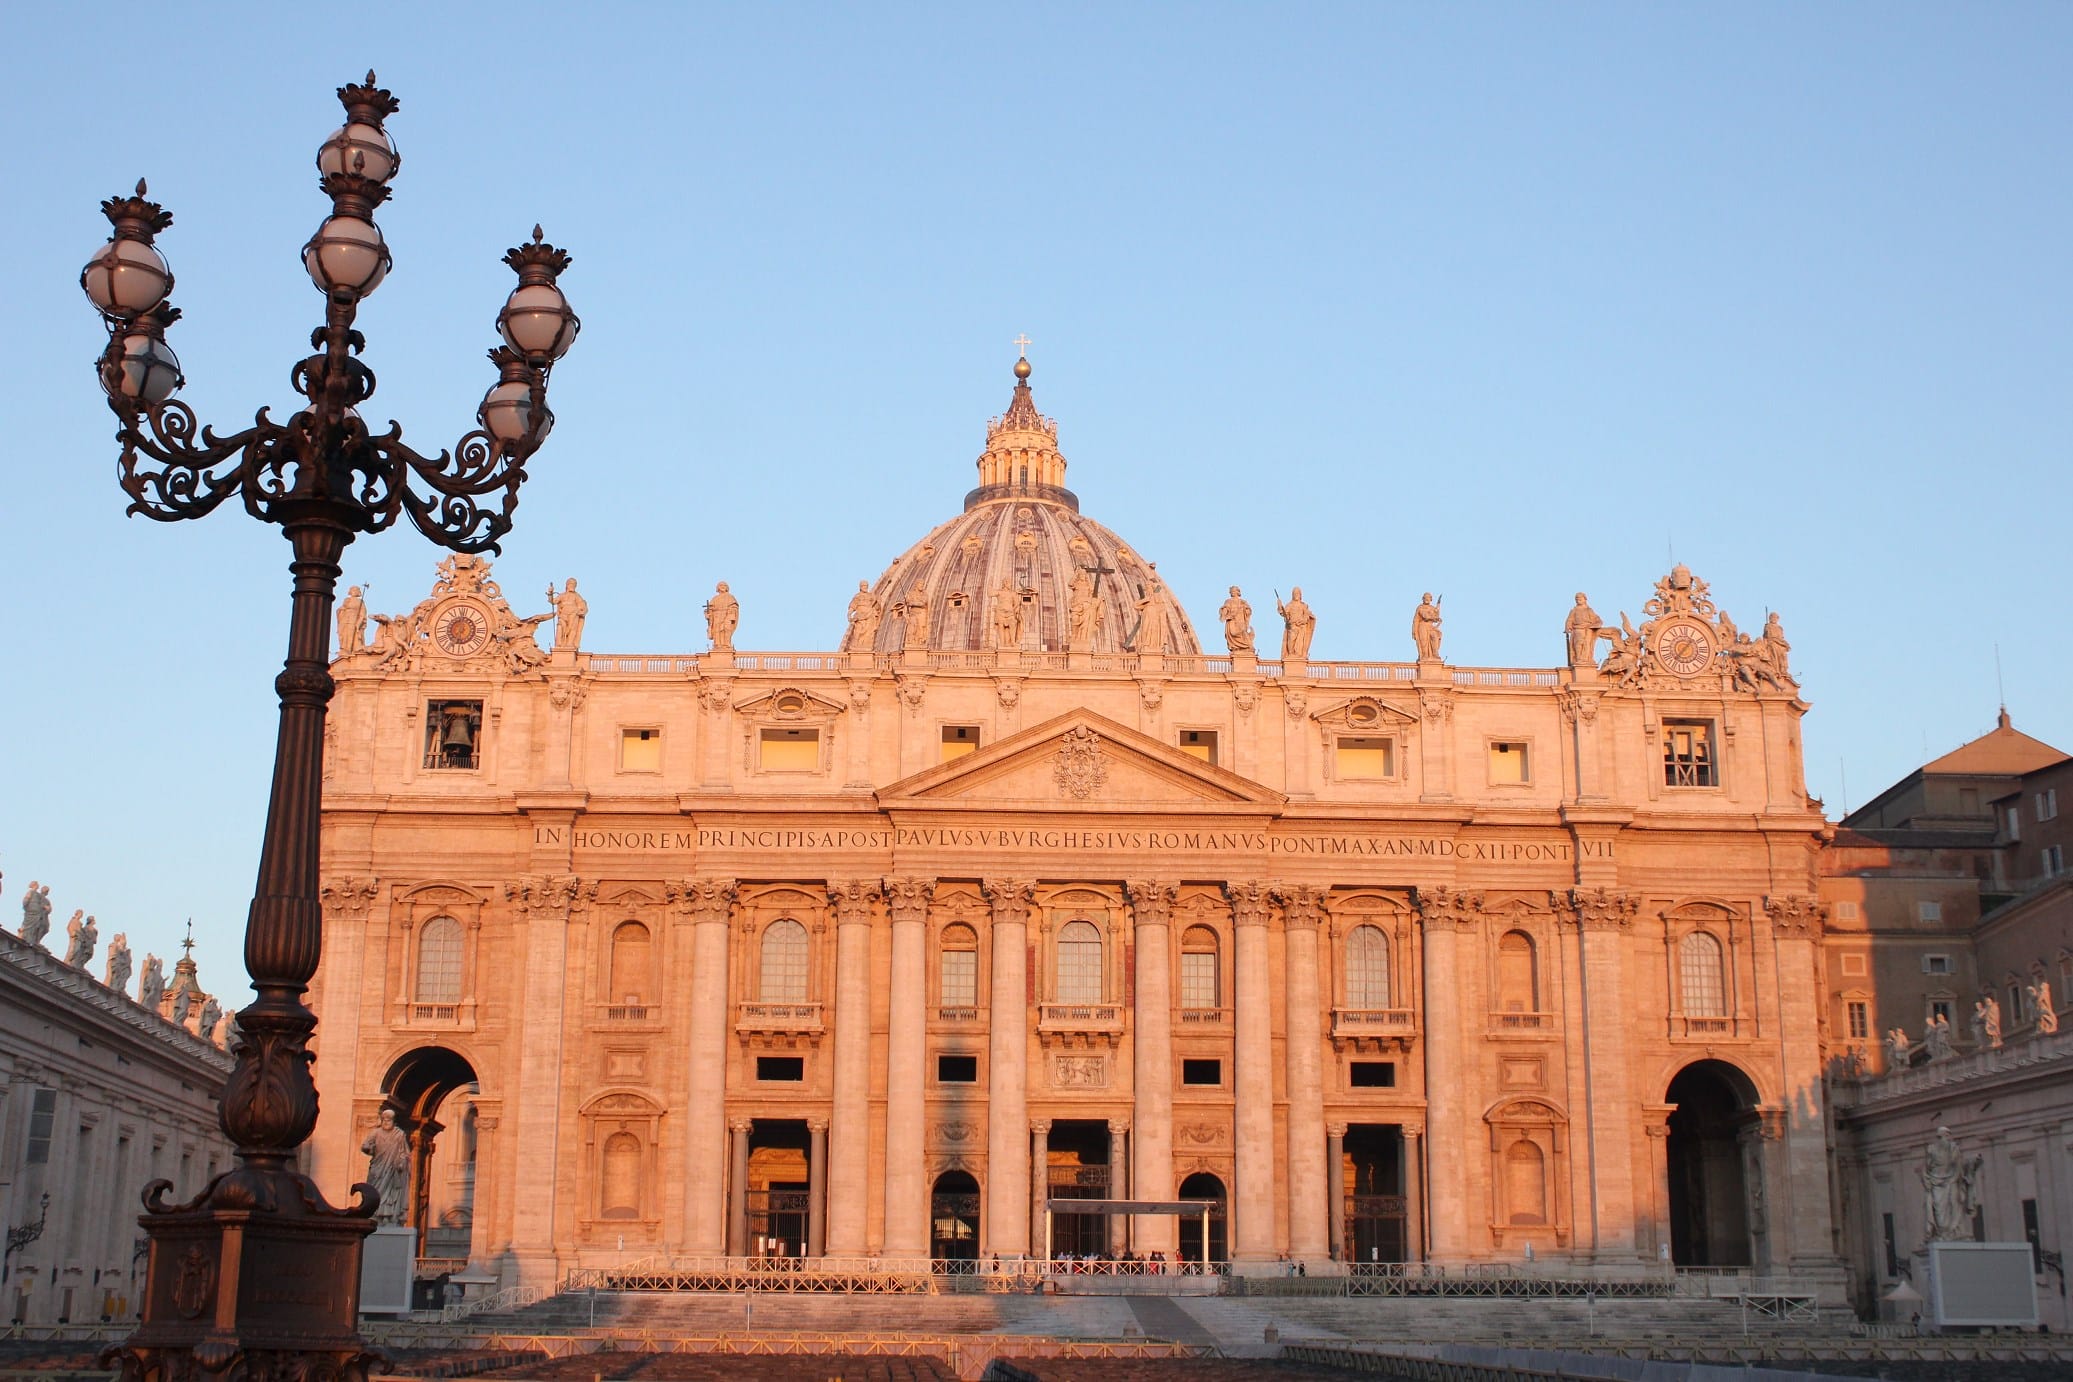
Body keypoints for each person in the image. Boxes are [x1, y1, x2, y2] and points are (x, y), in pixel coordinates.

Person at [362, 1107, 413, 1226]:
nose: (386, 1122)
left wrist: (401, 1162)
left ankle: (389, 1216)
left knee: (390, 1193)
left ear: (394, 1121)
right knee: (375, 1190)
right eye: (384, 1120)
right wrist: (367, 1148)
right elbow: (365, 1145)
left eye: (388, 1120)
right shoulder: (375, 1132)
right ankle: (374, 1214)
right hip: (377, 1167)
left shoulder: (399, 1134)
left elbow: (404, 1152)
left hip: (392, 1169)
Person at [1564, 593, 1603, 666]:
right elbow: (1569, 620)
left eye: (1580, 599)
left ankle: (1585, 659)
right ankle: (1579, 658)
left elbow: (1597, 619)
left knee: (1587, 644)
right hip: (1578, 629)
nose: (1578, 600)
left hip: (1588, 629)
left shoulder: (1589, 610)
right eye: (1576, 599)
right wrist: (1567, 627)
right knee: (1578, 643)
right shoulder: (1574, 610)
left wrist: (1597, 624)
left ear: (1585, 599)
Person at [1278, 587, 1315, 662]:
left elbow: (1307, 616)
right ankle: (1291, 654)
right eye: (1294, 593)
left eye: (1297, 593)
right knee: (1291, 641)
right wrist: (1279, 606)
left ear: (1300, 595)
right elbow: (1284, 613)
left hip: (1301, 628)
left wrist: (1302, 620)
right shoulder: (1289, 605)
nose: (1296, 595)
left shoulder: (1303, 605)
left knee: (1299, 645)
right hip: (1292, 627)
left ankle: (1297, 656)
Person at [549, 578, 587, 652]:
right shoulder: (562, 595)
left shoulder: (577, 596)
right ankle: (559, 644)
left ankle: (570, 644)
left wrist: (582, 612)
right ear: (567, 585)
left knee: (572, 629)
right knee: (560, 627)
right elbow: (553, 601)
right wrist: (550, 593)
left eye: (573, 584)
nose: (572, 585)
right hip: (564, 614)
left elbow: (583, 607)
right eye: (570, 584)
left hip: (574, 614)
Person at [846, 581, 882, 651]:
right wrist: (849, 614)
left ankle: (865, 645)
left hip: (870, 615)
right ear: (860, 587)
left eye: (866, 586)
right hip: (860, 615)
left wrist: (878, 601)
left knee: (868, 633)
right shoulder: (857, 596)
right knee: (858, 631)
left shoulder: (871, 596)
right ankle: (857, 645)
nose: (865, 587)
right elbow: (853, 606)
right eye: (864, 586)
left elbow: (877, 607)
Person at [704, 581, 739, 652]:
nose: (723, 587)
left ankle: (726, 645)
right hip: (716, 617)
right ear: (718, 588)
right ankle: (717, 645)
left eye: (724, 585)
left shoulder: (730, 597)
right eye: (721, 585)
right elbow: (709, 609)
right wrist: (707, 614)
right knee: (717, 631)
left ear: (727, 588)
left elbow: (734, 607)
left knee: (726, 629)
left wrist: (731, 615)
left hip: (727, 616)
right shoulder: (715, 598)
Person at [1220, 586, 1254, 654]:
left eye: (1233, 591)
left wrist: (1247, 610)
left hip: (1240, 620)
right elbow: (1225, 608)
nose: (1232, 592)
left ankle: (1247, 646)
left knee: (1242, 632)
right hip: (1232, 619)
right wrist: (1223, 614)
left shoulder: (1243, 601)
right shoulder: (1228, 601)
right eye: (1231, 591)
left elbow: (1248, 609)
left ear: (1238, 592)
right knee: (1232, 633)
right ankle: (1236, 647)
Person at [1411, 592, 1443, 660]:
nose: (1427, 599)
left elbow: (1436, 617)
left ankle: (1435, 654)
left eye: (1428, 597)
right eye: (1425, 597)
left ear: (1431, 599)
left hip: (1430, 626)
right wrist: (1414, 630)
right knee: (1424, 642)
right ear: (1423, 599)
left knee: (1434, 636)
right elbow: (1424, 616)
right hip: (1422, 626)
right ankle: (1424, 656)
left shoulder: (1433, 608)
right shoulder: (1420, 607)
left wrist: (1437, 617)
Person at [337, 585, 367, 656]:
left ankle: (350, 650)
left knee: (351, 635)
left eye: (356, 590)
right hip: (344, 619)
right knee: (342, 634)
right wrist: (340, 611)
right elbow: (341, 609)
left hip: (353, 620)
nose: (354, 592)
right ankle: (344, 649)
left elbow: (363, 614)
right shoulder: (346, 600)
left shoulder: (360, 602)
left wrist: (358, 623)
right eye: (353, 590)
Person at [20, 882, 51, 948]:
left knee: (45, 928)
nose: (45, 891)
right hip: (33, 913)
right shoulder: (35, 893)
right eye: (44, 889)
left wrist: (47, 909)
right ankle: (26, 938)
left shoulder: (45, 899)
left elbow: (49, 908)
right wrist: (25, 906)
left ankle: (36, 941)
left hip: (41, 914)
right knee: (32, 926)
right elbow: (26, 900)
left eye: (46, 890)